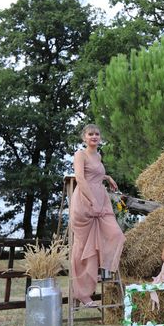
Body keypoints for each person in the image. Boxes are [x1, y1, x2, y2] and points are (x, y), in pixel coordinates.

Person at [70, 124, 125, 308]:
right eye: (90, 134)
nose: (94, 136)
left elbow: (94, 173)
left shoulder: (98, 155)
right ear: (84, 137)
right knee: (83, 248)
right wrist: (92, 201)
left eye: (97, 134)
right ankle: (83, 294)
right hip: (85, 203)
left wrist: (107, 177)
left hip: (102, 200)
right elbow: (80, 177)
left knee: (116, 234)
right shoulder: (80, 154)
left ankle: (105, 270)